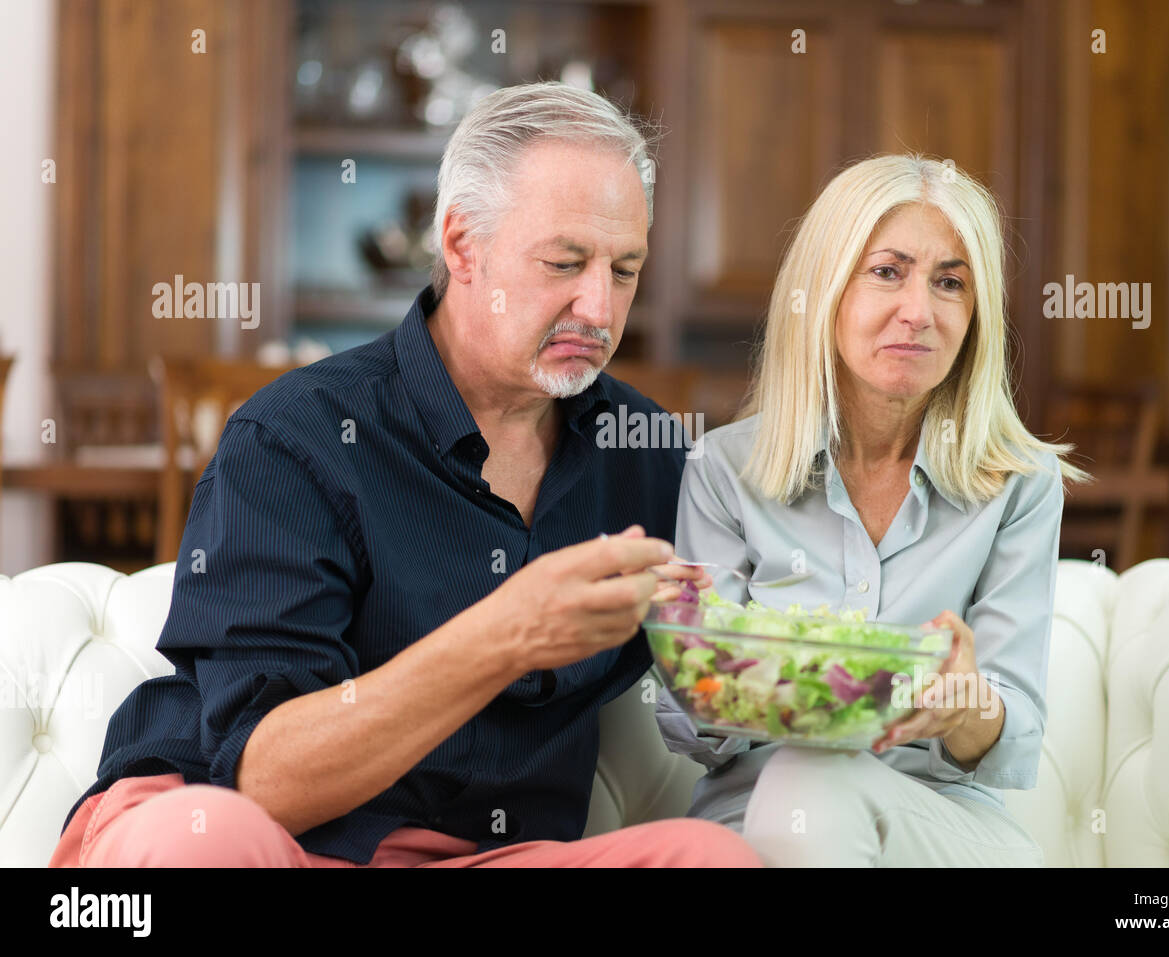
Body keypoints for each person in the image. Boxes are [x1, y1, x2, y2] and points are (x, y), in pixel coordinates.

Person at [50, 82, 759, 869]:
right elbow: (264, 778)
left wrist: (890, 689)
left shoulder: (647, 453)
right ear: (462, 245)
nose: (597, 305)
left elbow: (737, 665)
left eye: (625, 270)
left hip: (471, 856)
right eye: (565, 261)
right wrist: (504, 634)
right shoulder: (298, 436)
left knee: (708, 857)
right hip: (241, 826)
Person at [655, 153, 1092, 867]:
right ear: (822, 290)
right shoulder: (724, 471)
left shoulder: (1021, 485)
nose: (918, 311)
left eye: (949, 281)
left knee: (812, 774)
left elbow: (1011, 735)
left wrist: (966, 704)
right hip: (751, 827)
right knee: (803, 774)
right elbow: (689, 725)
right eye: (887, 271)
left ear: (976, 313)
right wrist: (718, 677)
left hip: (940, 829)